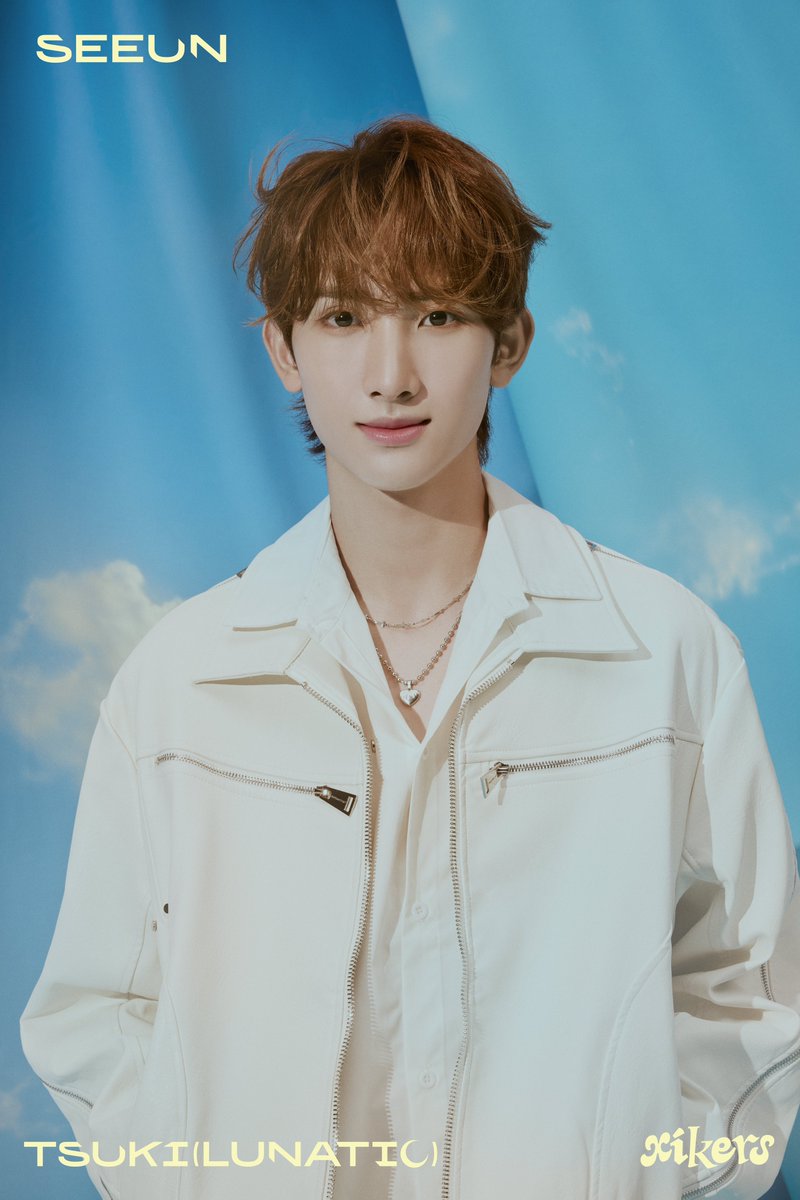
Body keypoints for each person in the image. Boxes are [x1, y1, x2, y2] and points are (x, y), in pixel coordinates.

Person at [20, 116, 800, 1200]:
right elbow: (96, 1012)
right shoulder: (182, 678)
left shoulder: (662, 650)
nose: (390, 376)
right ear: (284, 348)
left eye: (436, 315)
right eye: (343, 318)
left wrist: (645, 1179)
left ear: (509, 342)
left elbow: (750, 994)